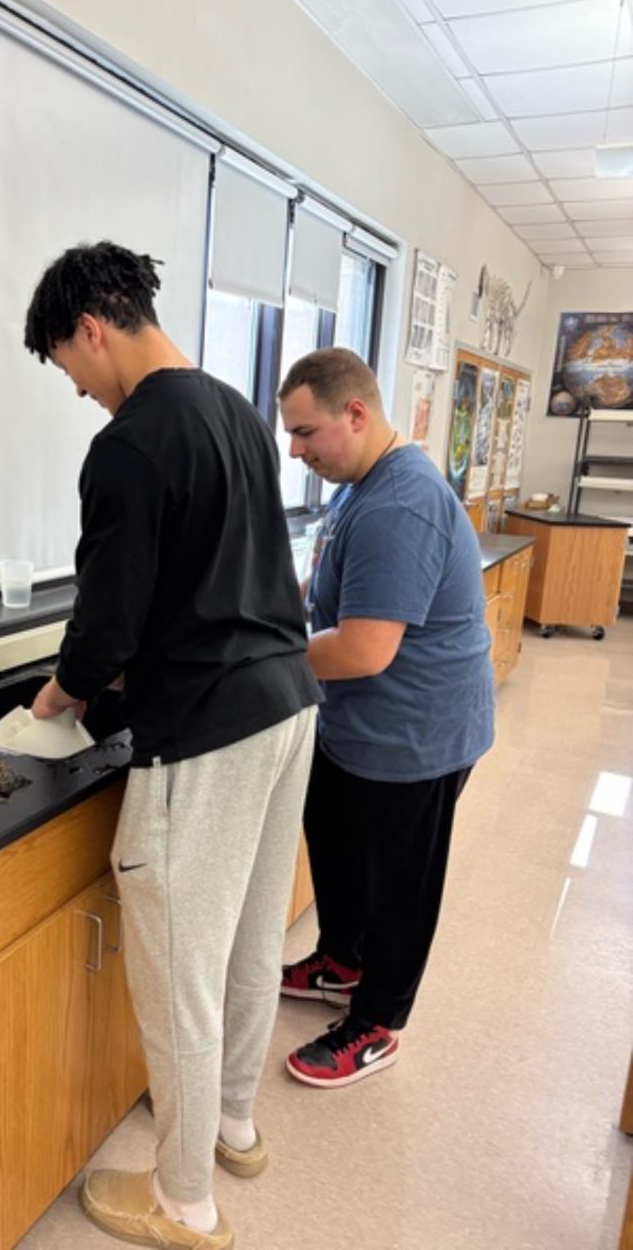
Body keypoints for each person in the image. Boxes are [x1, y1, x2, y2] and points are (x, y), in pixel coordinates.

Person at [23, 241, 320, 1249]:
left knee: (182, 966)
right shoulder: (234, 412)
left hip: (210, 728)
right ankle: (231, 1122)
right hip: (288, 705)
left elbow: (105, 627)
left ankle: (183, 1200)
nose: (80, 391)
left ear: (91, 329)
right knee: (248, 935)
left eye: (69, 367)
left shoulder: (132, 442)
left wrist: (58, 695)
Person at [277, 347, 494, 1088]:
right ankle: (342, 960)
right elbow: (321, 589)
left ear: (356, 414)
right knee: (337, 843)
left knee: (398, 884)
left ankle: (378, 1022)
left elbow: (365, 649)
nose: (296, 451)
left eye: (305, 432)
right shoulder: (356, 486)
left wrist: (261, 661)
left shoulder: (401, 504)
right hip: (357, 727)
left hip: (418, 735)